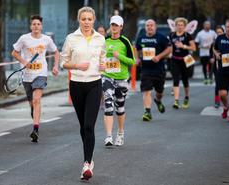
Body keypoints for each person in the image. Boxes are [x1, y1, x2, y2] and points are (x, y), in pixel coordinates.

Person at [60, 7, 106, 181]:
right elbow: (64, 62)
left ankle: (87, 164)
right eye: (83, 19)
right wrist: (77, 66)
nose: (86, 22)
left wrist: (104, 66)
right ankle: (89, 157)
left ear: (94, 20)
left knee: (89, 126)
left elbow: (103, 59)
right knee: (82, 127)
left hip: (94, 84)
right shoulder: (71, 38)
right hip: (77, 85)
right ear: (78, 20)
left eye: (89, 19)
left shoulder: (100, 39)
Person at [11, 15, 59, 143]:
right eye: (33, 24)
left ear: (41, 26)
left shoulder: (46, 39)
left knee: (37, 100)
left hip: (41, 73)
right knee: (32, 103)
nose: (36, 26)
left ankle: (35, 130)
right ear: (30, 26)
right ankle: (35, 114)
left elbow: (56, 52)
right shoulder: (24, 39)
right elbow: (14, 52)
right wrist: (23, 61)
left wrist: (55, 66)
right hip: (27, 75)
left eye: (38, 24)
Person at [102, 15, 135, 146]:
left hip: (122, 78)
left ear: (121, 27)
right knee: (108, 104)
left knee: (119, 107)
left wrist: (119, 56)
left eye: (116, 25)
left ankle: (120, 133)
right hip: (107, 76)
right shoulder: (104, 41)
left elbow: (132, 61)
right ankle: (108, 136)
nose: (114, 27)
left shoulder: (125, 41)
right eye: (112, 25)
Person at [135, 19, 171, 121]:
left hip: (159, 69)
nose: (149, 27)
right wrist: (137, 58)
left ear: (155, 27)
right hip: (145, 69)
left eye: (151, 25)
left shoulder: (161, 37)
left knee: (160, 91)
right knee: (146, 91)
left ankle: (158, 100)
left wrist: (159, 56)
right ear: (145, 27)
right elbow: (136, 48)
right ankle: (147, 111)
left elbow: (169, 49)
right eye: (147, 25)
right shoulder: (141, 38)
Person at [168, 17, 196, 109]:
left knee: (185, 79)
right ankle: (176, 101)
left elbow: (193, 48)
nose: (180, 27)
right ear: (175, 26)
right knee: (175, 79)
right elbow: (170, 46)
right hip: (174, 59)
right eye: (178, 25)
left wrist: (183, 46)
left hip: (185, 59)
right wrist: (170, 53)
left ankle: (186, 96)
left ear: (184, 26)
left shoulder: (188, 35)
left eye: (182, 25)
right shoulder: (172, 35)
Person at [210, 26, 225, 108]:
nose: (219, 33)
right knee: (218, 83)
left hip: (227, 64)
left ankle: (224, 99)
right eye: (217, 32)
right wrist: (212, 58)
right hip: (217, 65)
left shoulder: (227, 41)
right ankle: (217, 100)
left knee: (225, 84)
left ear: (223, 32)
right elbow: (211, 51)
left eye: (220, 32)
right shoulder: (214, 42)